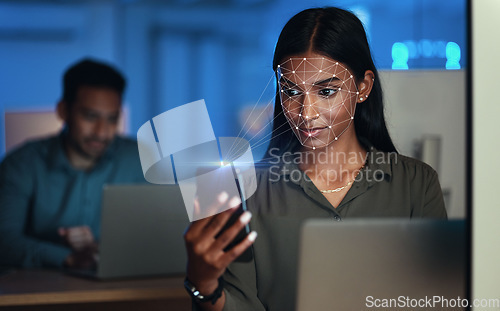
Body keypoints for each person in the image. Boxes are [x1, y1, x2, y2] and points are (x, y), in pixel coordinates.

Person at [183, 7, 447, 311]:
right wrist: (202, 283)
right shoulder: (239, 191)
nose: (306, 113)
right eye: (291, 91)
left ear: (363, 87)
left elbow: (433, 298)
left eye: (327, 91)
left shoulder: (416, 184)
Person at [0, 58, 145, 268]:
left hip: (125, 293)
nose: (101, 132)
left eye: (112, 119)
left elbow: (160, 236)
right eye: (90, 116)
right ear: (63, 111)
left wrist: (98, 250)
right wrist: (68, 258)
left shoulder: (140, 159)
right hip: (40, 294)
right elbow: (4, 241)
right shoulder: (22, 164)